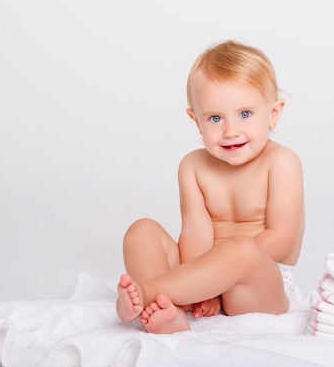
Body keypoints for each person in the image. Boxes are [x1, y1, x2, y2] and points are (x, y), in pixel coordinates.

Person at [116, 40, 305, 334]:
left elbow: (281, 239)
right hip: (201, 276)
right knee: (141, 231)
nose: (231, 131)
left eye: (245, 114)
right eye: (215, 118)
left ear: (274, 113)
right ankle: (170, 311)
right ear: (196, 121)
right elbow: (195, 232)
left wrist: (219, 279)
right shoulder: (193, 166)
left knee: (239, 249)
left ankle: (150, 292)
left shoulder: (282, 162)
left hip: (258, 284)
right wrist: (202, 286)